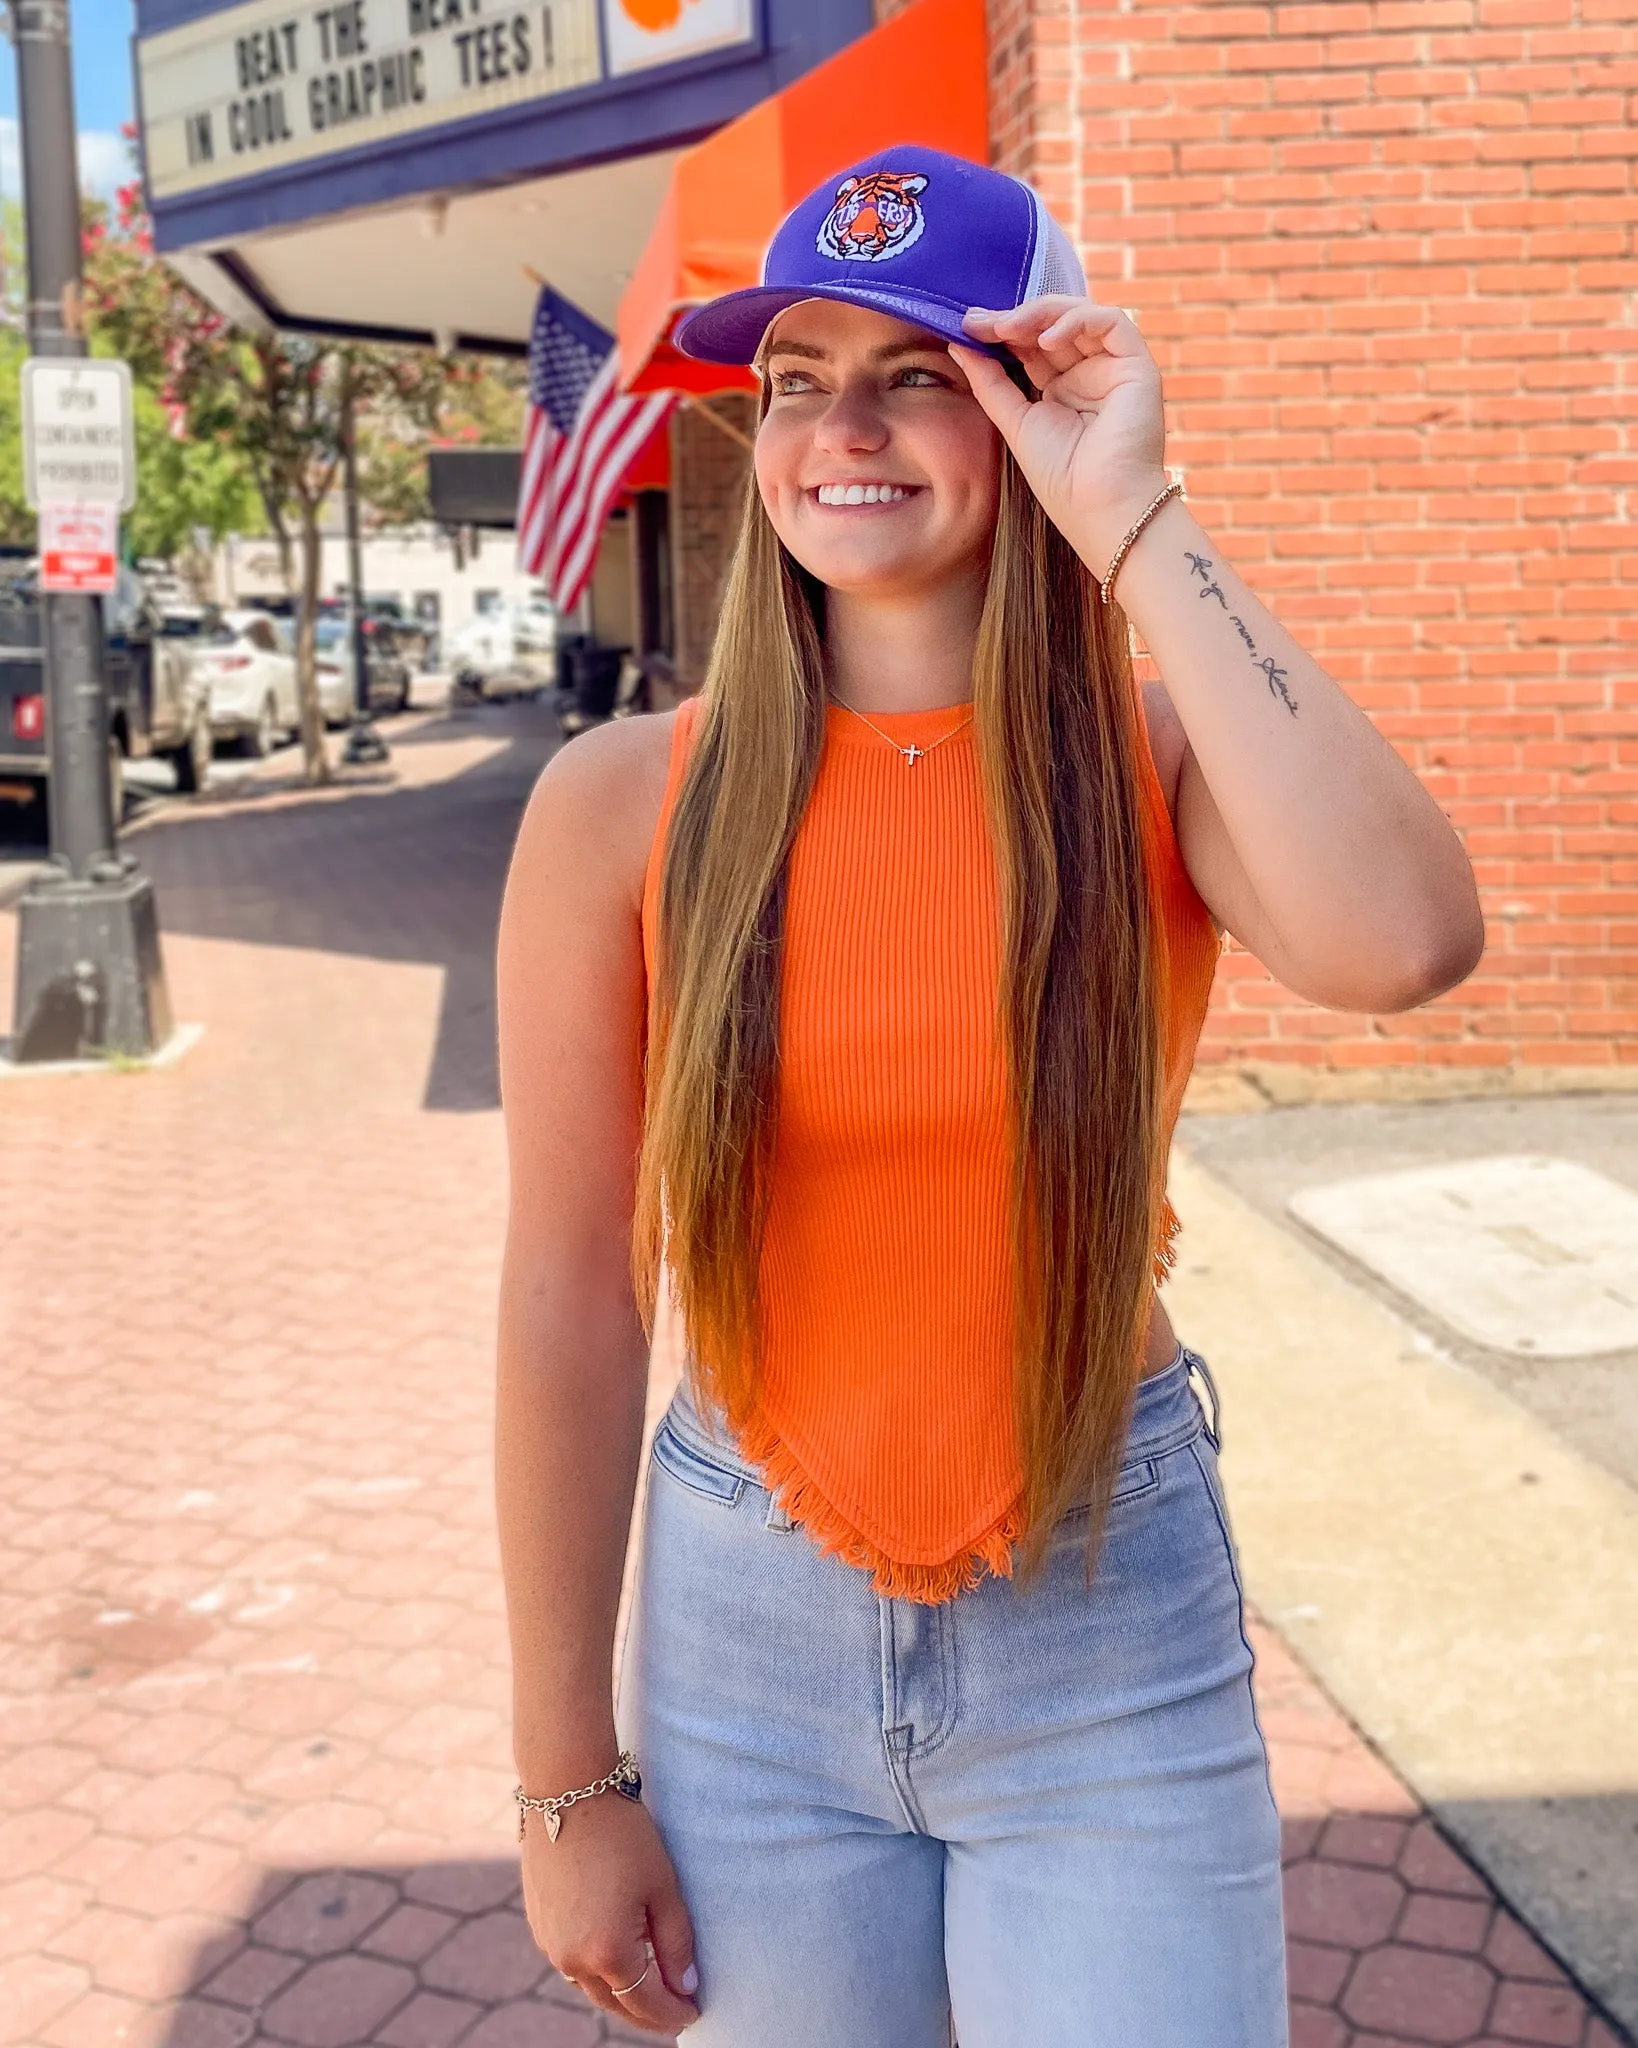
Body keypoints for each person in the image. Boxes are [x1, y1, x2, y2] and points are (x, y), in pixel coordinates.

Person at [494, 146, 1483, 2047]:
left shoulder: (1165, 759)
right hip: (742, 1636)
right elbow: (566, 1290)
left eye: (919, 373)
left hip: (1106, 1608)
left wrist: (1139, 521)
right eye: (796, 378)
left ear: (1028, 402)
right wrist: (565, 1778)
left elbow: (1401, 942)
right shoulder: (623, 804)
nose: (837, 429)